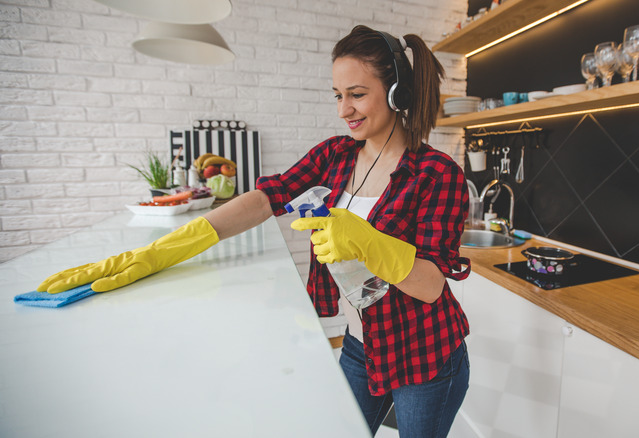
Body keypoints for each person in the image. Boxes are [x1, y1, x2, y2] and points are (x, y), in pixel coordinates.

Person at [37, 25, 471, 437]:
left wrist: (370, 242)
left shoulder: (437, 174)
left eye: (357, 94)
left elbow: (432, 285)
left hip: (428, 355)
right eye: (338, 95)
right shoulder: (336, 155)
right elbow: (267, 198)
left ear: (398, 93)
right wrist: (162, 250)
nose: (343, 110)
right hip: (362, 346)